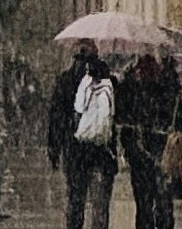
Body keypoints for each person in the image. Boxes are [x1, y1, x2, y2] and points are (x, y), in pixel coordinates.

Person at [115, 50, 182, 229]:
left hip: (140, 150)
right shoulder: (170, 85)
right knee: (163, 199)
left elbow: (120, 117)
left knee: (144, 201)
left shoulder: (131, 86)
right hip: (163, 149)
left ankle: (148, 224)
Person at [48, 49, 123, 229]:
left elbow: (56, 118)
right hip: (101, 152)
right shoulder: (109, 81)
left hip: (76, 152)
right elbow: (119, 115)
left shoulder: (66, 81)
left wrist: (54, 148)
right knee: (99, 207)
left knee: (76, 201)